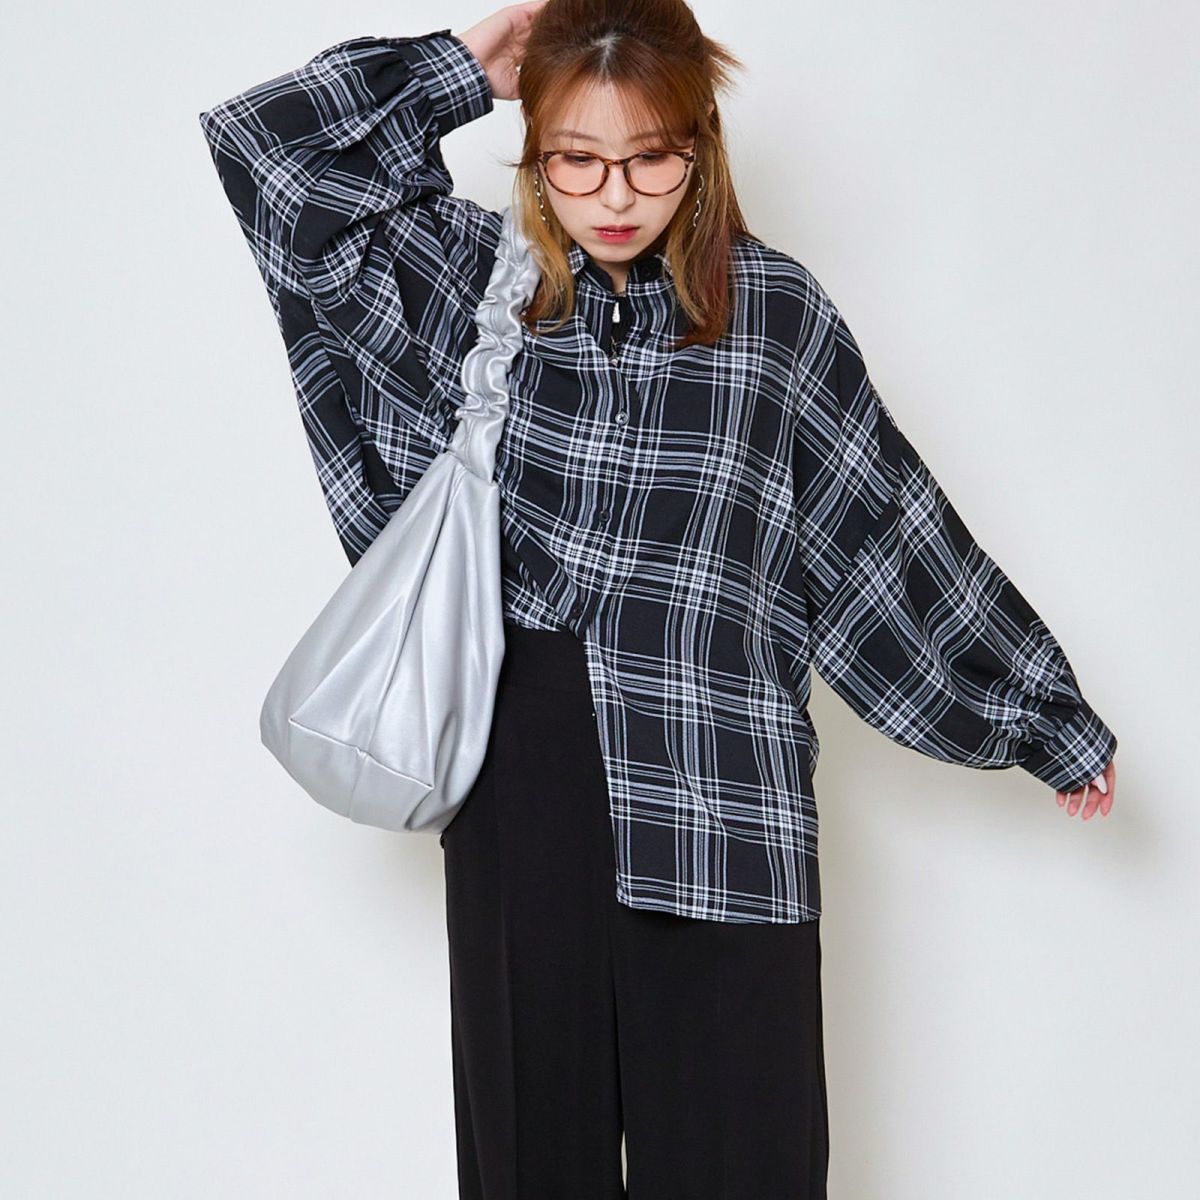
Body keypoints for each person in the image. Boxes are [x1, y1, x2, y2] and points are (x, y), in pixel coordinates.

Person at [198, 2, 1119, 1196]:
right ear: (534, 148)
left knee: (747, 1165)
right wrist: (462, 67)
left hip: (730, 788)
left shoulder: (772, 314)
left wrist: (1039, 717)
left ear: (700, 143)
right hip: (527, 782)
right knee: (536, 1163)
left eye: (649, 156)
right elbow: (265, 153)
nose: (615, 195)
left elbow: (881, 533)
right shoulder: (467, 284)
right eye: (576, 158)